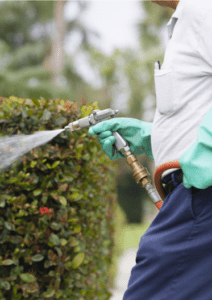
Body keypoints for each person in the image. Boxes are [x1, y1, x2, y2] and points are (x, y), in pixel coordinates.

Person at [89, 0, 212, 299]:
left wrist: (208, 146)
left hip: (200, 199)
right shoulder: (187, 18)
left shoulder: (203, 9)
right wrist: (151, 135)